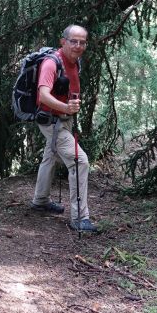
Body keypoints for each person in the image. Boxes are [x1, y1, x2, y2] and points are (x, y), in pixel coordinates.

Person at [29, 24, 97, 232]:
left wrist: (70, 108)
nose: (78, 46)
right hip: (52, 121)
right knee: (79, 161)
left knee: (49, 156)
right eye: (73, 41)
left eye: (82, 42)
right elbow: (43, 95)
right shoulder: (52, 63)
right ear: (63, 41)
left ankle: (40, 201)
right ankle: (79, 218)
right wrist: (66, 107)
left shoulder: (75, 61)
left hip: (64, 119)